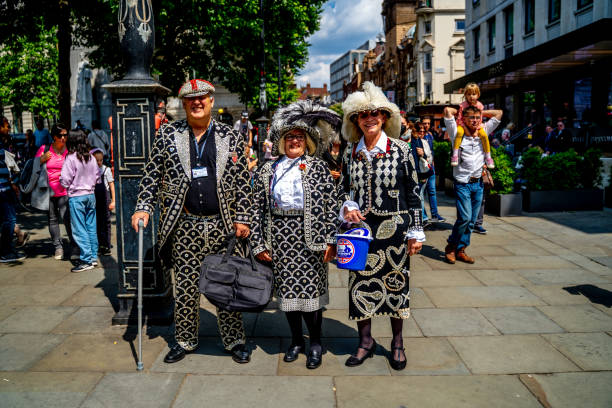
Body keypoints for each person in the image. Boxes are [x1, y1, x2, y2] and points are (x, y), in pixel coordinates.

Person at [131, 79, 253, 365]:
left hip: (224, 224)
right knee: (185, 286)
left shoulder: (230, 136)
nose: (197, 103)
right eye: (191, 99)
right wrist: (143, 208)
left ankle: (234, 340)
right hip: (184, 224)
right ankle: (185, 340)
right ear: (184, 104)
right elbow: (150, 174)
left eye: (203, 98)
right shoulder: (168, 134)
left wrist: (244, 217)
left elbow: (242, 182)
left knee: (226, 285)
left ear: (212, 101)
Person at [339, 82, 424, 371]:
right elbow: (342, 189)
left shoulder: (401, 149)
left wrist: (416, 231)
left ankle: (397, 343)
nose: (369, 118)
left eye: (375, 113)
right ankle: (365, 342)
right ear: (355, 120)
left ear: (385, 117)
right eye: (362, 115)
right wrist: (348, 205)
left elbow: (414, 192)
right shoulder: (351, 152)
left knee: (396, 286)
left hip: (396, 230)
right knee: (359, 286)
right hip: (360, 231)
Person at [252, 101, 340, 369]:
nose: (294, 141)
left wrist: (331, 239)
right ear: (282, 142)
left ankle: (315, 342)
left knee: (311, 296)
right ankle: (295, 341)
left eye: (299, 137)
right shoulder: (268, 169)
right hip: (279, 237)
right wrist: (258, 243)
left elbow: (332, 204)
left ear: (307, 142)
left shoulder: (317, 167)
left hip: (311, 237)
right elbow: (257, 207)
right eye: (290, 137)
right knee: (288, 296)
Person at [444, 105, 502, 264]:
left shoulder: (484, 131)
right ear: (464, 119)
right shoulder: (456, 132)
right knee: (464, 218)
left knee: (471, 221)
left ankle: (461, 249)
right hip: (462, 183)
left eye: (477, 118)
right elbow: (448, 112)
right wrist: (462, 110)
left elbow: (499, 113)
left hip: (478, 184)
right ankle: (451, 246)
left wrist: (480, 112)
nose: (475, 120)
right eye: (471, 118)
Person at [60, 130, 100, 272]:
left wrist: (67, 184)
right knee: (91, 227)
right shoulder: (91, 158)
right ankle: (93, 257)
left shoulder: (70, 158)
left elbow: (65, 180)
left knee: (79, 229)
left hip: (77, 196)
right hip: (90, 195)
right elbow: (97, 176)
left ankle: (86, 259)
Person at [36, 123, 74, 260]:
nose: (63, 138)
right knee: (52, 219)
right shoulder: (45, 149)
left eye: (65, 135)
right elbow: (34, 165)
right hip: (48, 191)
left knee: (67, 219)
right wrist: (41, 159)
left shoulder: (69, 150)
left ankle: (74, 245)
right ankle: (58, 247)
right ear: (54, 137)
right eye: (60, 135)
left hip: (65, 190)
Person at [451, 83, 495, 169]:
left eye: (474, 94)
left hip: (476, 125)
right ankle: (455, 155)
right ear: (465, 95)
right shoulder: (463, 105)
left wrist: (476, 129)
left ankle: (488, 157)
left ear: (478, 95)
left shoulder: (480, 105)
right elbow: (460, 119)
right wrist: (466, 129)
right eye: (469, 94)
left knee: (484, 135)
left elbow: (480, 119)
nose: (471, 96)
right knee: (459, 133)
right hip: (462, 124)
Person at [0, 117, 26, 263]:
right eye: (6, 126)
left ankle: (6, 249)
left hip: (5, 186)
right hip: (3, 188)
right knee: (9, 220)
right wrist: (10, 182)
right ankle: (6, 251)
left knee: (7, 219)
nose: (9, 129)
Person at [420, 116, 445, 222]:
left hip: (431, 168)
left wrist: (433, 165)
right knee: (421, 193)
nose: (426, 125)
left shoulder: (430, 136)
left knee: (432, 192)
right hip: (423, 169)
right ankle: (424, 216)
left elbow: (431, 152)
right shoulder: (418, 136)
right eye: (424, 123)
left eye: (428, 123)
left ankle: (435, 215)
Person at [91, 149, 115, 256]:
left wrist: (113, 200)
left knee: (106, 222)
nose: (99, 162)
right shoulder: (91, 171)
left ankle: (106, 245)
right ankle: (99, 244)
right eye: (97, 160)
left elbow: (111, 185)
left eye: (101, 160)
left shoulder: (106, 170)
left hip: (105, 198)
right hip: (95, 198)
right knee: (97, 222)